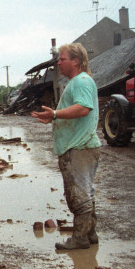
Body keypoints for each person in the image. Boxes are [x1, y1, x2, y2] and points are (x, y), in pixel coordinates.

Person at [31, 43, 101, 250]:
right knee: (85, 191)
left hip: (79, 147)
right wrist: (54, 118)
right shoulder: (78, 82)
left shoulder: (81, 81)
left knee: (78, 194)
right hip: (80, 146)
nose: (58, 63)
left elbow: (83, 109)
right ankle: (90, 234)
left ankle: (80, 239)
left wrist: (54, 114)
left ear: (76, 61)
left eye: (62, 59)